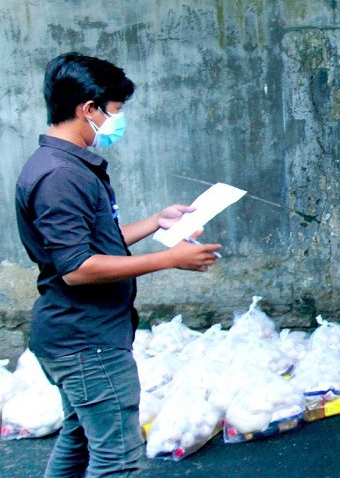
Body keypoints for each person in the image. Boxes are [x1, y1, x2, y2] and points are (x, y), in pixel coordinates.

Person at [15, 52, 222, 476]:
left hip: (75, 336)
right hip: (86, 341)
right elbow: (77, 267)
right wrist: (170, 259)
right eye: (115, 111)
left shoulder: (62, 166)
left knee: (78, 444)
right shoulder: (61, 176)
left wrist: (154, 223)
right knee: (119, 462)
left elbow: (89, 244)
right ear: (87, 109)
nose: (117, 122)